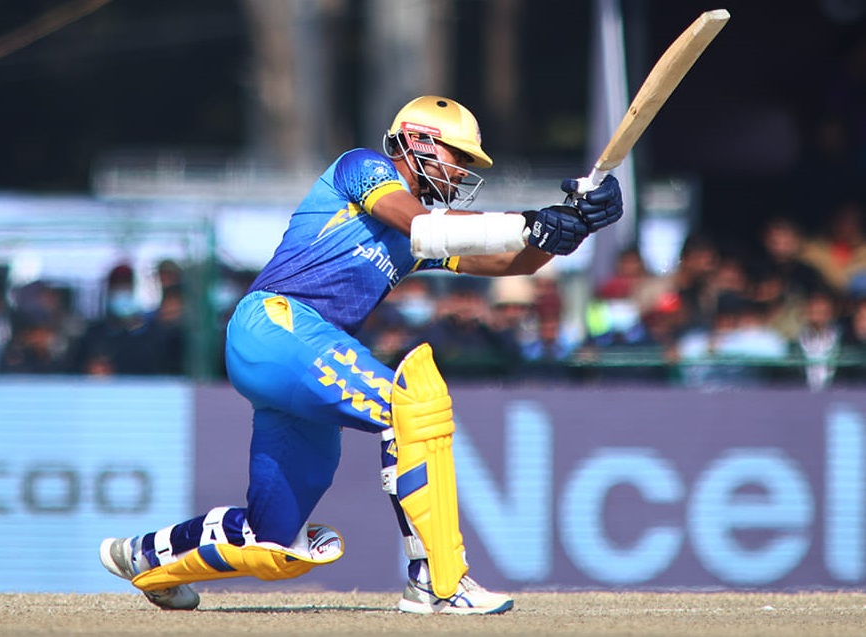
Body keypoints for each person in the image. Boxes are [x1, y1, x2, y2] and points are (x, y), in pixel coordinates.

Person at [98, 95, 623, 614]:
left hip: (299, 358)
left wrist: (574, 225)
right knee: (412, 408)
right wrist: (530, 221)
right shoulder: (363, 167)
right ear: (418, 142)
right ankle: (437, 582)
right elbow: (428, 227)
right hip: (277, 325)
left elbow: (516, 263)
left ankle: (147, 555)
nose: (464, 171)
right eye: (459, 156)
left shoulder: (420, 230)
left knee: (273, 542)